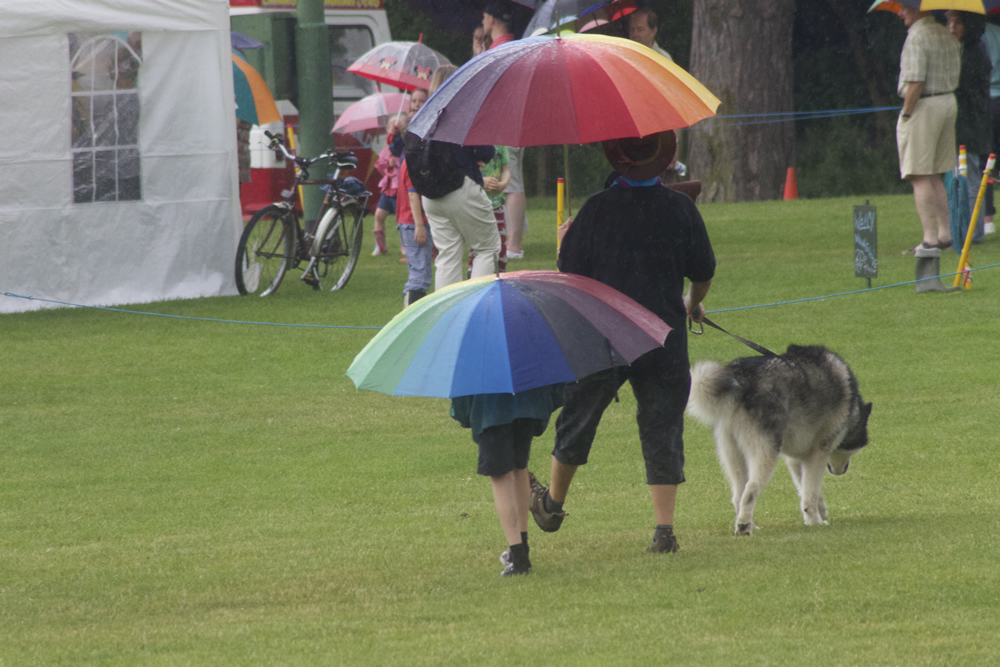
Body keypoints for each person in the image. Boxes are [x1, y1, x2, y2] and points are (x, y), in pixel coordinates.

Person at [528, 131, 716, 554]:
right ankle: (664, 531)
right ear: (662, 161)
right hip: (663, 337)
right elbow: (703, 272)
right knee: (662, 429)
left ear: (618, 158)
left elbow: (571, 276)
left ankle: (553, 506)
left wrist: (564, 244)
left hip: (602, 336)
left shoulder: (596, 209)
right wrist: (691, 303)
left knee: (578, 418)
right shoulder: (681, 208)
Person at [450, 384, 565, 576]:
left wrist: (462, 412)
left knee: (501, 476)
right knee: (519, 469)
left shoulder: (479, 353)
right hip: (527, 403)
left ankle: (519, 558)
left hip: (492, 410)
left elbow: (464, 383)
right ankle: (520, 549)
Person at [411, 66, 501, 290]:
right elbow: (486, 152)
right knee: (486, 248)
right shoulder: (461, 112)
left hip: (430, 196)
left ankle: (446, 315)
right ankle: (475, 306)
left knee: (448, 255)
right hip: (461, 187)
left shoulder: (423, 116)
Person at [895, 6, 961, 252]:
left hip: (924, 106)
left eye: (904, 7)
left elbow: (915, 83)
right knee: (936, 172)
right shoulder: (946, 33)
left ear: (918, 9)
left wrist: (906, 114)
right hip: (947, 101)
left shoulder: (917, 37)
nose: (900, 12)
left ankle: (929, 239)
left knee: (919, 174)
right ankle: (945, 235)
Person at [482, 2, 528, 260]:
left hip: (505, 123)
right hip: (513, 122)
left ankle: (514, 246)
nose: (482, 21)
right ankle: (513, 240)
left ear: (492, 19)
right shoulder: (513, 45)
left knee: (513, 184)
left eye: (484, 16)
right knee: (512, 181)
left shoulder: (500, 50)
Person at [947, 10, 991, 245]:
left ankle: (973, 232)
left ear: (969, 25)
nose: (951, 27)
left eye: (956, 22)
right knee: (960, 176)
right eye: (949, 21)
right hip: (967, 120)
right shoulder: (965, 48)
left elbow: (965, 87)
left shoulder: (975, 51)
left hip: (970, 122)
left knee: (970, 177)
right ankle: (965, 228)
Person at [394, 115, 433, 307]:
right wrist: (420, 225)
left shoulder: (408, 159)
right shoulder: (412, 162)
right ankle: (409, 316)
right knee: (419, 276)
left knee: (422, 274)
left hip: (409, 223)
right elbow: (412, 194)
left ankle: (416, 312)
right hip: (413, 224)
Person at [470, 145, 510, 274]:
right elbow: (465, 172)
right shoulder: (472, 142)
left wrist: (503, 184)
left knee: (501, 244)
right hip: (477, 203)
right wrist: (481, 180)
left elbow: (506, 169)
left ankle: (500, 275)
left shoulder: (501, 144)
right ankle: (473, 276)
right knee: (479, 246)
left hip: (496, 203)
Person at [371, 117, 403, 257]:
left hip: (399, 189)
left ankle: (405, 246)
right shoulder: (386, 151)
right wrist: (387, 164)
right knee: (379, 215)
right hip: (388, 189)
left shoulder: (402, 150)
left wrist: (396, 164)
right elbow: (379, 166)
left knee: (402, 219)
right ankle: (380, 246)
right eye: (391, 127)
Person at [980, 19, 1000, 234]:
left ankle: (987, 219)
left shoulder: (973, 38)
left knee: (984, 161)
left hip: (984, 102)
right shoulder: (998, 33)